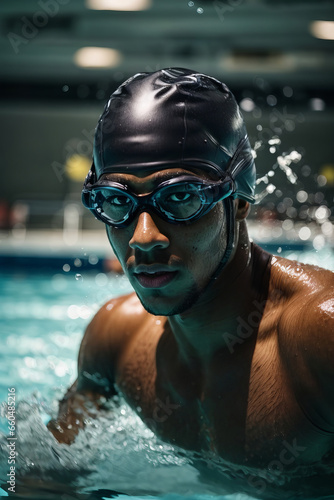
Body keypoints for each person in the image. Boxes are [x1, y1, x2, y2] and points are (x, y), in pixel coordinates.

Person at [48, 68, 334, 498]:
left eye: (180, 197)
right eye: (117, 202)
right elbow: (48, 474)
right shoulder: (117, 340)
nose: (143, 237)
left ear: (237, 203)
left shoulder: (319, 337)